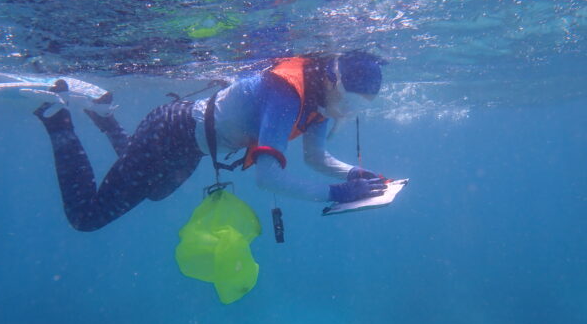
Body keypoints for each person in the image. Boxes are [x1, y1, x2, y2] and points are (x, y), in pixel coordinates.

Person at [31, 51, 388, 231]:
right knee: (87, 217)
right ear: (331, 77)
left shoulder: (323, 103)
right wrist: (336, 194)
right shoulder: (287, 95)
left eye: (358, 106)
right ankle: (56, 119)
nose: (347, 109)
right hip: (169, 133)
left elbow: (316, 156)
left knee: (151, 190)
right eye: (348, 98)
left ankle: (107, 122)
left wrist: (352, 174)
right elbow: (267, 179)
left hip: (188, 143)